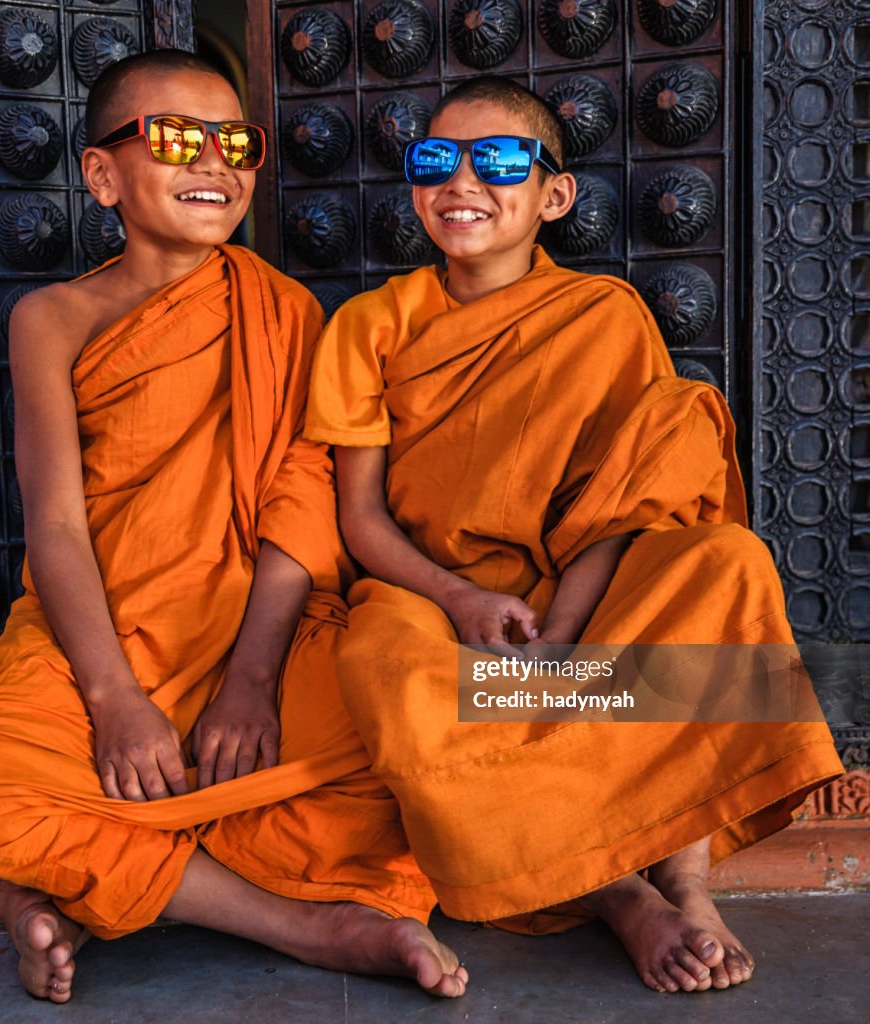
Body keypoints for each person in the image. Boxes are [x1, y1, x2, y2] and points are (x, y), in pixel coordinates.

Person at [0, 50, 468, 1004]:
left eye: (235, 142)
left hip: (255, 628)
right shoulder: (54, 318)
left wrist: (253, 677)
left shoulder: (288, 312)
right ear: (102, 175)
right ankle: (301, 923)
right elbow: (53, 521)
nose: (213, 162)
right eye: (177, 138)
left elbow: (303, 500)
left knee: (410, 740)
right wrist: (114, 698)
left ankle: (74, 894)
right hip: (98, 630)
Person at [304, 76, 844, 995]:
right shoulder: (370, 326)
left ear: (553, 196)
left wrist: (563, 635)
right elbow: (360, 519)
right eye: (436, 160)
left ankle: (686, 876)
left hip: (576, 594)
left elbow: (627, 497)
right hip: (431, 597)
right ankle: (617, 894)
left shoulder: (604, 316)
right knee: (390, 672)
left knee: (727, 563)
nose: (462, 181)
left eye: (499, 160)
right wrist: (461, 597)